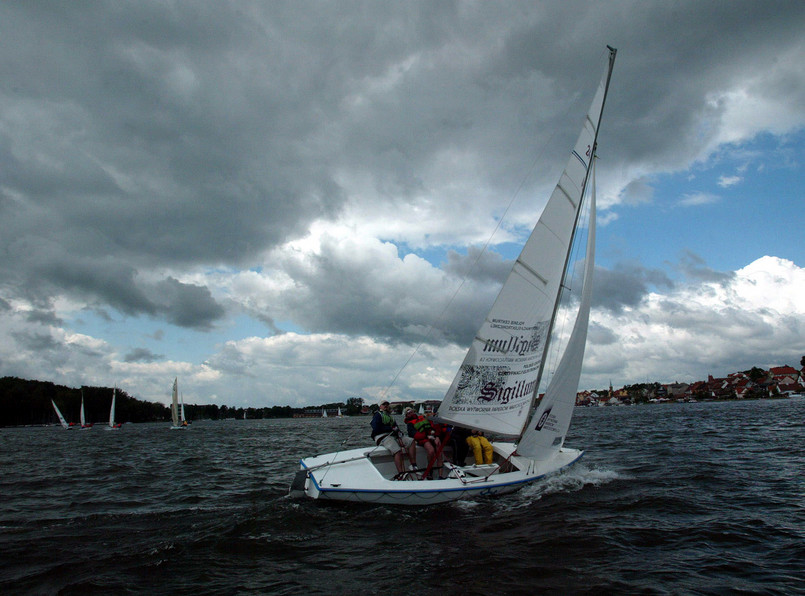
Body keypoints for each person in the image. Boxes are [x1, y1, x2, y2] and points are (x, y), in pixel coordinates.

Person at [370, 401, 417, 477]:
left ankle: (414, 465)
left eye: (387, 404)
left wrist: (399, 433)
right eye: (384, 404)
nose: (386, 406)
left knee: (411, 441)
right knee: (397, 450)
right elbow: (375, 427)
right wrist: (390, 428)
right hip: (382, 436)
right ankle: (401, 473)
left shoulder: (391, 417)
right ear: (380, 407)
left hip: (393, 436)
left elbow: (396, 427)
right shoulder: (377, 415)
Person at [403, 407, 445, 479]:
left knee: (439, 453)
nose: (410, 413)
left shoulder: (423, 417)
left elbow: (434, 425)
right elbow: (414, 435)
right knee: (431, 451)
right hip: (423, 439)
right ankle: (429, 471)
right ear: (406, 415)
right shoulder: (410, 424)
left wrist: (436, 436)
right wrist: (427, 436)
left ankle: (440, 475)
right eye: (408, 413)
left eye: (411, 411)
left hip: (433, 436)